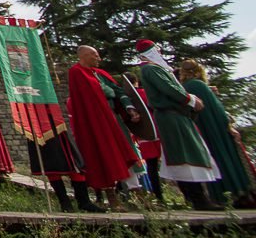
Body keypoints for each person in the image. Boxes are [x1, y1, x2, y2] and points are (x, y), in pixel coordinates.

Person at [136, 39, 223, 211]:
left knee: (183, 155)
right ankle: (198, 198)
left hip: (174, 116)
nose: (160, 54)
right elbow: (169, 89)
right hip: (172, 116)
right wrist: (190, 100)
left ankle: (194, 196)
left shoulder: (154, 70)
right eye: (157, 50)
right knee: (186, 154)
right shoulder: (151, 69)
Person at [67, 46, 143, 208]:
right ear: (84, 56)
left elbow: (118, 91)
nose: (98, 58)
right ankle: (113, 198)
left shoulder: (101, 74)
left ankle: (138, 196)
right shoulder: (76, 72)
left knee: (126, 152)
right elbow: (84, 99)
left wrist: (129, 108)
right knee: (104, 154)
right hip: (96, 121)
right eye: (95, 55)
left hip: (112, 117)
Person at [179, 59, 256, 208]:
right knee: (227, 158)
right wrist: (230, 127)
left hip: (203, 133)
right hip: (218, 131)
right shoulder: (199, 85)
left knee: (214, 160)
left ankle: (221, 196)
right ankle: (239, 194)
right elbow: (218, 111)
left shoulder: (184, 88)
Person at [125, 72, 165, 204]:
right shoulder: (145, 93)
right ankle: (186, 194)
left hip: (143, 135)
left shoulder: (128, 99)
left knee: (151, 166)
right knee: (166, 162)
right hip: (157, 131)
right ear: (136, 81)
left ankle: (159, 196)